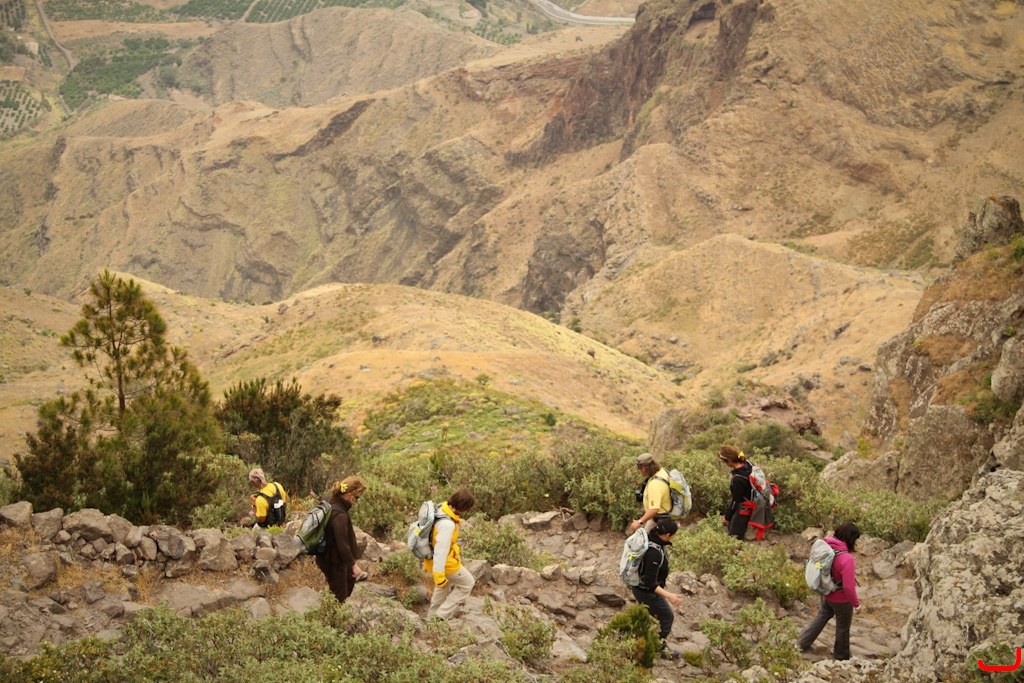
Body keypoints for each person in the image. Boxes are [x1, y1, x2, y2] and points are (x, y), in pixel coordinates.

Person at [797, 522, 863, 660]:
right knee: (843, 627)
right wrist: (856, 605)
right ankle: (841, 656)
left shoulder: (826, 546)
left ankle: (802, 643)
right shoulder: (847, 559)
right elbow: (848, 587)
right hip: (841, 599)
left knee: (821, 617)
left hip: (826, 592)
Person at [631, 517, 684, 659]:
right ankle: (657, 646)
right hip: (646, 591)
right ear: (668, 535)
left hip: (638, 587)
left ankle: (642, 641)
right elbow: (650, 583)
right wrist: (669, 595)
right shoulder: (654, 553)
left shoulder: (650, 536)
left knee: (649, 616)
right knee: (667, 617)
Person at [315, 476, 366, 604]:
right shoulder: (340, 515)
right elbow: (342, 544)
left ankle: (330, 610)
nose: (356, 501)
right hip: (335, 561)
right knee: (339, 596)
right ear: (349, 495)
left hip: (327, 556)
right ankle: (331, 615)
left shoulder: (329, 500)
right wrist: (353, 565)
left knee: (346, 584)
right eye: (356, 497)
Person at [426, 488, 475, 620]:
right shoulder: (447, 524)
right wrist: (439, 574)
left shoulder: (440, 509)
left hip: (429, 558)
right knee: (467, 583)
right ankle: (440, 616)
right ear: (462, 508)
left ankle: (431, 619)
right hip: (443, 562)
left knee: (442, 586)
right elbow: (440, 551)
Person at [630, 453, 672, 533]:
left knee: (646, 540)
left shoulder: (655, 484)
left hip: (659, 520)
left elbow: (654, 509)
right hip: (665, 516)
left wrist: (639, 522)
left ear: (643, 468)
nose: (640, 471)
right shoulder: (662, 471)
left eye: (639, 469)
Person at [719, 446, 753, 540]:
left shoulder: (738, 479)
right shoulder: (748, 465)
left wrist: (727, 517)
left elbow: (736, 501)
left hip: (743, 510)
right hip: (750, 505)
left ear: (729, 461)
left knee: (735, 538)